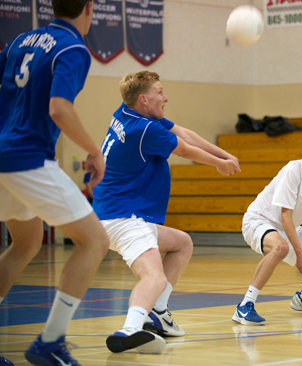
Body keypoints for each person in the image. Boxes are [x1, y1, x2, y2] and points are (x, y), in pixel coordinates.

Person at [94, 71, 241, 353]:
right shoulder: (144, 130)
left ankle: (157, 312)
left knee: (182, 243)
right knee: (154, 277)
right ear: (143, 98)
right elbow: (184, 150)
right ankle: (129, 329)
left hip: (110, 215)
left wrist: (224, 154)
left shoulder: (128, 113)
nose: (166, 97)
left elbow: (184, 133)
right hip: (124, 218)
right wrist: (218, 164)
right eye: (160, 92)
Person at [0, 1, 110, 365]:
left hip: (3, 155)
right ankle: (50, 342)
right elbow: (59, 108)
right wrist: (94, 150)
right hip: (27, 158)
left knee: (25, 244)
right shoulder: (73, 47)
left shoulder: (21, 41)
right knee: (94, 241)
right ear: (89, 8)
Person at [233, 127, 302, 325]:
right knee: (281, 248)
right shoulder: (293, 170)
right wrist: (301, 253)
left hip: (288, 227)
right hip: (259, 221)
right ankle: (244, 305)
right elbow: (285, 216)